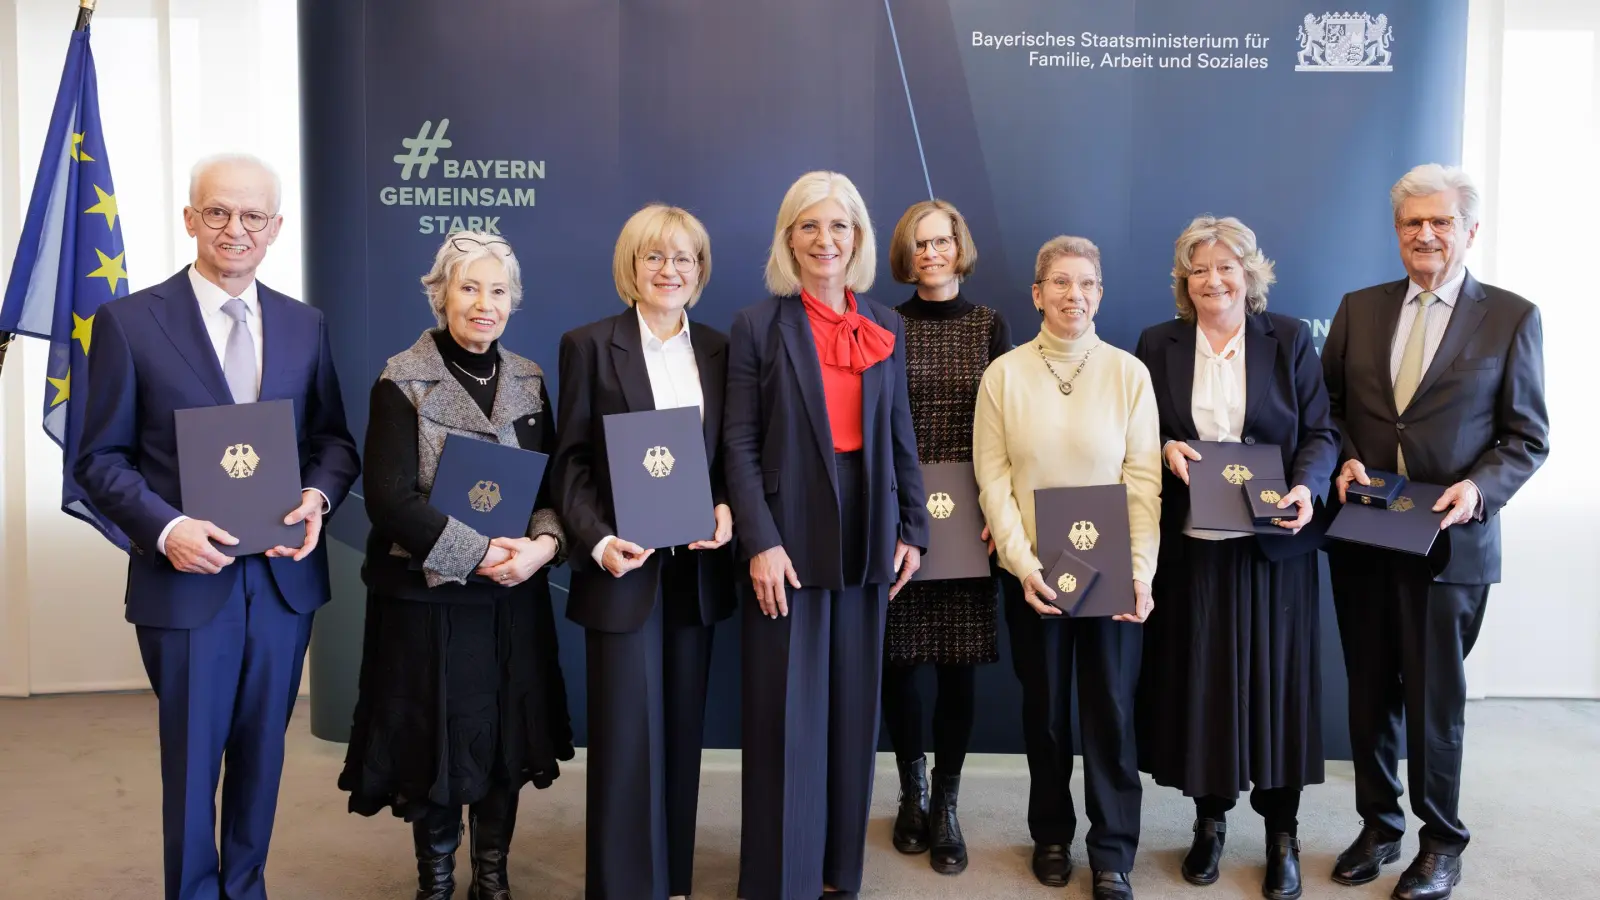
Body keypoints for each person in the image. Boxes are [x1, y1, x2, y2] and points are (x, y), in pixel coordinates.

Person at [74, 154, 361, 900]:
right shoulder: (130, 323)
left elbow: (334, 442)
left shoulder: (305, 324)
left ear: (275, 228)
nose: (235, 229)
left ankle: (246, 889)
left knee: (262, 757)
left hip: (281, 581)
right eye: (218, 213)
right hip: (185, 585)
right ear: (190, 218)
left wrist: (316, 496)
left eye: (252, 216)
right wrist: (167, 529)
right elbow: (98, 458)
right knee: (194, 763)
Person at [1321, 164, 1548, 900]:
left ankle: (1441, 840)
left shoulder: (1512, 317)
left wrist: (1478, 489)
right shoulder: (1359, 308)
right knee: (1368, 694)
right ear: (1396, 234)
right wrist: (1346, 459)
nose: (1426, 235)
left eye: (1441, 222)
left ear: (1469, 231)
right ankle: (1380, 826)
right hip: (1364, 535)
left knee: (1433, 702)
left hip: (1450, 546)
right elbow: (1325, 409)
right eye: (1412, 223)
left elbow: (1526, 437)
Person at [337, 232, 573, 900]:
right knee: (436, 746)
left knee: (503, 744)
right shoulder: (401, 377)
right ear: (440, 294)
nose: (483, 304)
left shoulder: (528, 378)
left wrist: (542, 547)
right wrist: (480, 554)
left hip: (513, 597)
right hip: (430, 601)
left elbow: (553, 488)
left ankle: (491, 880)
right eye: (468, 287)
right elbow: (389, 500)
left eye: (497, 291)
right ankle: (436, 882)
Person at [724, 171, 929, 900]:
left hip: (869, 524)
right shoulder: (757, 325)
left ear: (859, 239)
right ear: (788, 239)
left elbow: (900, 430)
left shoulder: (886, 323)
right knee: (787, 713)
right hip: (788, 530)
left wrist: (915, 525)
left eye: (838, 226)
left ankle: (838, 873)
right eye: (808, 226)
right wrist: (760, 541)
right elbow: (739, 445)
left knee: (850, 711)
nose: (824, 240)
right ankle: (783, 878)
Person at [1133, 216, 1339, 900]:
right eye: (1198, 270)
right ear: (1182, 281)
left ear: (1250, 275)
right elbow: (1144, 429)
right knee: (1206, 690)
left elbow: (1320, 430)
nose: (1212, 280)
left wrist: (1309, 487)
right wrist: (1165, 447)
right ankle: (1209, 823)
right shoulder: (1157, 344)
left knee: (1277, 690)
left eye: (1226, 268)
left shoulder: (1288, 338)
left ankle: (1282, 834)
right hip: (1194, 550)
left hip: (1273, 547)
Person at [551, 204, 735, 900]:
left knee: (681, 733)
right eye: (654, 257)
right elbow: (570, 463)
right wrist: (597, 540)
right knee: (627, 739)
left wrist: (726, 510)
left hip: (694, 572)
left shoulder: (719, 350)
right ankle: (626, 887)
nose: (669, 270)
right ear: (631, 268)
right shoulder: (590, 345)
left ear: (700, 270)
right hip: (622, 570)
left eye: (683, 258)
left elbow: (731, 457)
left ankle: (673, 881)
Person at [973, 235, 1160, 900]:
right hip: (1035, 573)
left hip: (1112, 571)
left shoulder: (1128, 374)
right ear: (1036, 294)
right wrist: (1023, 567)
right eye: (1059, 283)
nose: (1072, 295)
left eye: (1085, 284)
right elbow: (992, 480)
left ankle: (1112, 851)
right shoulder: (1005, 375)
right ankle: (1051, 833)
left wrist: (1140, 573)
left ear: (1099, 294)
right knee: (1047, 710)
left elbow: (1142, 482)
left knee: (1110, 710)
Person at [879, 199, 1010, 876]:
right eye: (920, 244)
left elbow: (1011, 423)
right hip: (902, 516)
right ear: (906, 253)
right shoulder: (883, 324)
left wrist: (1001, 509)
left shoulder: (990, 325)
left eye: (942, 242)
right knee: (900, 663)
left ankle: (949, 804)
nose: (931, 253)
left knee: (958, 665)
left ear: (960, 248)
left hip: (970, 517)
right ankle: (912, 793)